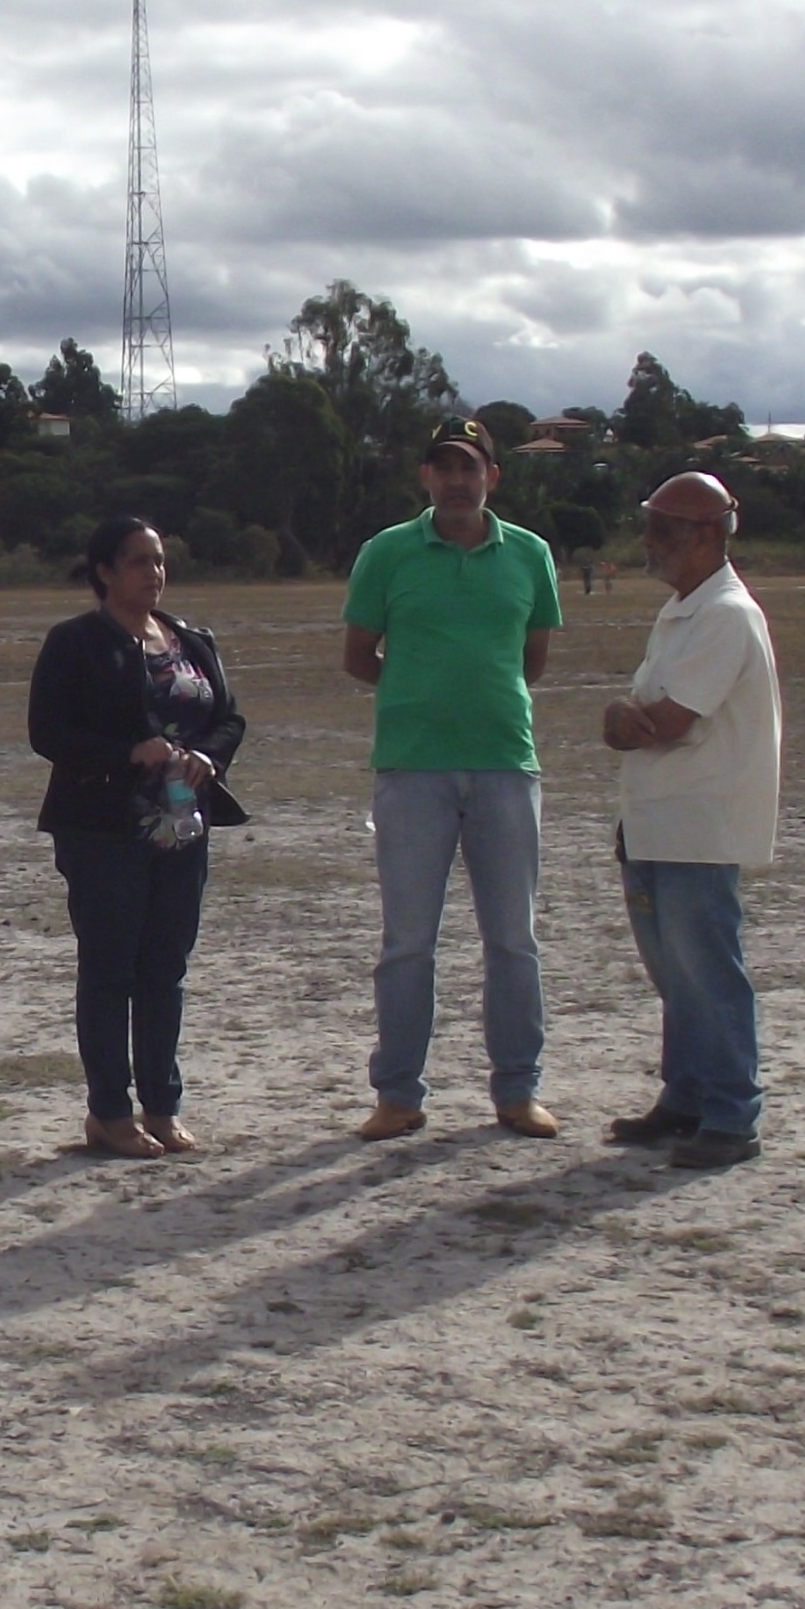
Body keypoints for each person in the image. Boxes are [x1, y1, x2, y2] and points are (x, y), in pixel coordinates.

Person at [339, 416, 564, 1139]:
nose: (458, 481)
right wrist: (420, 697)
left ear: (492, 477)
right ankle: (398, 1094)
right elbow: (357, 655)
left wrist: (475, 701)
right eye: (444, 468)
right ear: (425, 478)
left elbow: (532, 659)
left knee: (513, 940)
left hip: (505, 766)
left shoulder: (530, 555)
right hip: (412, 772)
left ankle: (518, 1090)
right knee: (408, 941)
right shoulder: (387, 553)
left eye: (471, 468)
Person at [30, 515, 246, 1158]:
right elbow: (49, 733)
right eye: (138, 562)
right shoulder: (76, 643)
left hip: (182, 826)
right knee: (109, 971)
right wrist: (130, 751)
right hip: (102, 829)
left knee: (165, 968)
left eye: (159, 561)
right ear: (103, 572)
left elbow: (228, 718)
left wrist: (209, 757)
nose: (153, 573)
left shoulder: (190, 639)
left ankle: (162, 1104)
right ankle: (109, 1113)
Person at [600, 471, 783, 1168]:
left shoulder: (727, 615)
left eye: (663, 530)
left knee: (707, 971)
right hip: (658, 820)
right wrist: (625, 716)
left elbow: (667, 720)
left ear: (707, 534)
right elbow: (645, 711)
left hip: (699, 827)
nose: (648, 543)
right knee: (676, 973)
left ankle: (732, 1114)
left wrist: (622, 721)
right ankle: (686, 1097)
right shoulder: (686, 609)